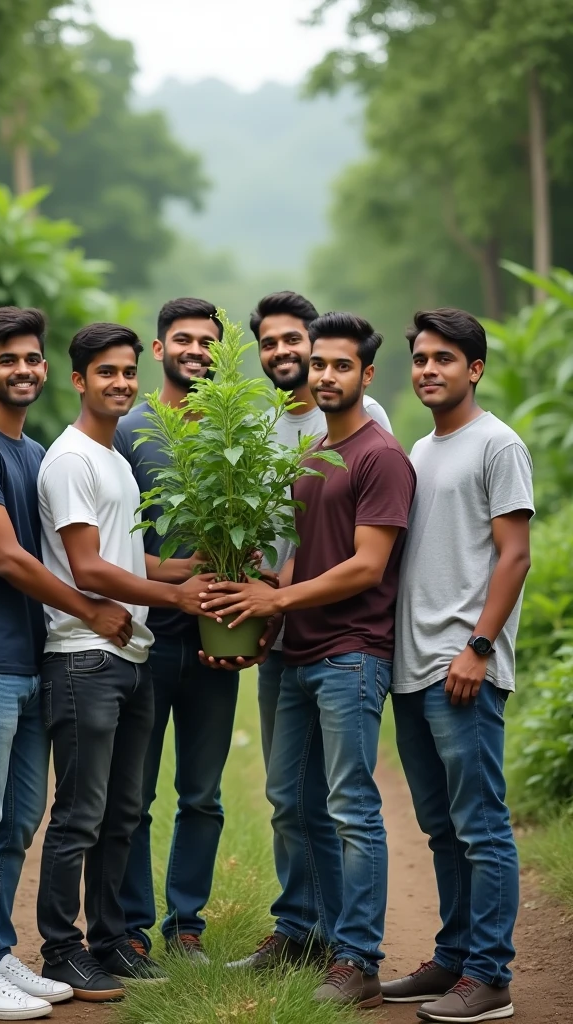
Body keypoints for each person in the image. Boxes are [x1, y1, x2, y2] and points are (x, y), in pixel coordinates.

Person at [201, 312, 416, 1008]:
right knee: (290, 802)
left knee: (351, 807)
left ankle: (357, 960)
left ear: (366, 375)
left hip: (350, 653)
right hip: (293, 654)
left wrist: (278, 604)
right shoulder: (314, 452)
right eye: (318, 363)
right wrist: (268, 602)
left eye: (340, 366)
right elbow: (299, 552)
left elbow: (365, 567)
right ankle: (303, 934)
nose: (325, 375)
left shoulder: (381, 457)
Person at [0, 307, 136, 1020]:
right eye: (7, 359)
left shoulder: (32, 453)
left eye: (32, 358)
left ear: (46, 368)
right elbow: (10, 558)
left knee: (19, 818)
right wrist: (90, 611)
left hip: (28, 660)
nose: (22, 369)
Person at [36, 322, 212, 1001]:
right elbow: (88, 566)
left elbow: (129, 558)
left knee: (122, 811)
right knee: (81, 812)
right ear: (78, 380)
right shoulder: (72, 458)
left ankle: (112, 942)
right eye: (104, 372)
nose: (119, 383)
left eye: (126, 372)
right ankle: (60, 950)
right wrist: (174, 595)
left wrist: (201, 570)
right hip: (83, 657)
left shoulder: (113, 458)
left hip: (129, 654)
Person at [382, 309, 533, 1023]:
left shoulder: (496, 444)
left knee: (480, 825)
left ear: (474, 368)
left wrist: (479, 647)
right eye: (420, 358)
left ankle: (490, 976)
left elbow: (515, 554)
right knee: (442, 828)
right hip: (413, 671)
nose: (429, 369)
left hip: (462, 665)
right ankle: (453, 956)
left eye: (445, 358)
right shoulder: (419, 449)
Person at [115, 298, 240, 963]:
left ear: (221, 354)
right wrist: (180, 577)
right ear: (159, 350)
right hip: (146, 640)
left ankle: (185, 927)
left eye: (207, 342)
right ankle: (131, 930)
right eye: (183, 340)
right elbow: (104, 546)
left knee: (203, 795)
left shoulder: (237, 435)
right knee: (132, 797)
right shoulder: (128, 430)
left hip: (216, 639)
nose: (195, 350)